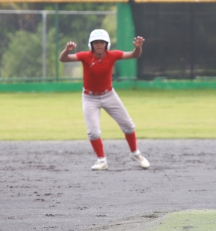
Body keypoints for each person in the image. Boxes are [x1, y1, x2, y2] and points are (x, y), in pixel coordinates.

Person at [58, 29, 150, 171]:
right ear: (91, 44)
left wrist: (138, 47)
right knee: (93, 133)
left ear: (107, 44)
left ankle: (135, 153)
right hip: (90, 98)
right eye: (96, 42)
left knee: (129, 126)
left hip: (109, 95)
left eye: (102, 42)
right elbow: (63, 59)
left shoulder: (112, 55)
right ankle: (102, 160)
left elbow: (134, 55)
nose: (99, 45)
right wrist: (66, 50)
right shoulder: (85, 56)